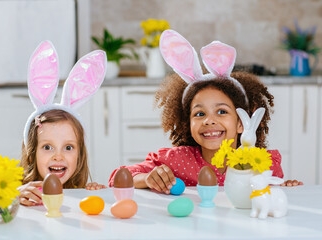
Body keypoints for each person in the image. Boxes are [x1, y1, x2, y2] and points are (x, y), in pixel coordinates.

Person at [108, 30, 302, 194]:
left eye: (222, 111)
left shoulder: (261, 163)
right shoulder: (178, 160)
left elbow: (275, 195)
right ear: (188, 123)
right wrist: (147, 179)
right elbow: (118, 177)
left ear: (242, 122)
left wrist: (289, 189)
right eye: (199, 114)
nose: (209, 120)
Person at [18, 41, 107, 206]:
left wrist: (92, 193)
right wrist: (13, 198)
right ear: (31, 153)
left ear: (80, 155)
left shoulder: (77, 191)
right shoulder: (18, 191)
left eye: (68, 148)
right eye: (47, 147)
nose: (58, 156)